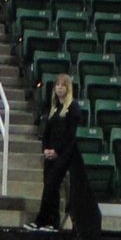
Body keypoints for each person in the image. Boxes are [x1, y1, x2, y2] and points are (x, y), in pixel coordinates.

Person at [34, 74, 82, 230]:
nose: (60, 87)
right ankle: (52, 222)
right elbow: (47, 132)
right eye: (58, 85)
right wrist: (46, 149)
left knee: (51, 186)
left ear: (68, 88)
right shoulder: (54, 108)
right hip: (50, 154)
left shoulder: (73, 108)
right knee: (50, 187)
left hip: (63, 155)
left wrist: (57, 151)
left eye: (63, 85)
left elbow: (70, 135)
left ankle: (41, 220)